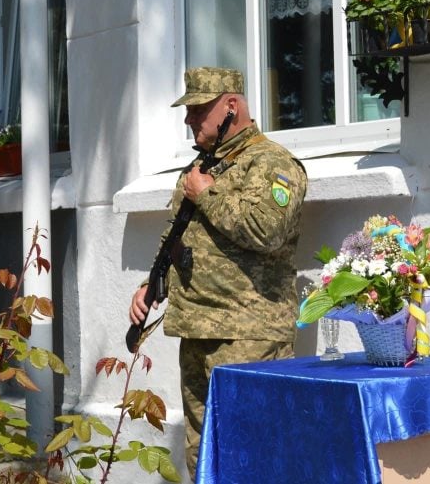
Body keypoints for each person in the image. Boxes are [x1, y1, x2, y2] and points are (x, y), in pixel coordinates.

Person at [129, 67, 307, 479]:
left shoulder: (272, 164)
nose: (189, 120)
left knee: (254, 449)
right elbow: (178, 238)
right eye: (188, 111)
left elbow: (267, 231)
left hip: (248, 335)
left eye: (198, 109)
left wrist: (206, 193)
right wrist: (150, 287)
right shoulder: (199, 168)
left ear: (231, 106)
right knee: (203, 453)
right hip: (196, 329)